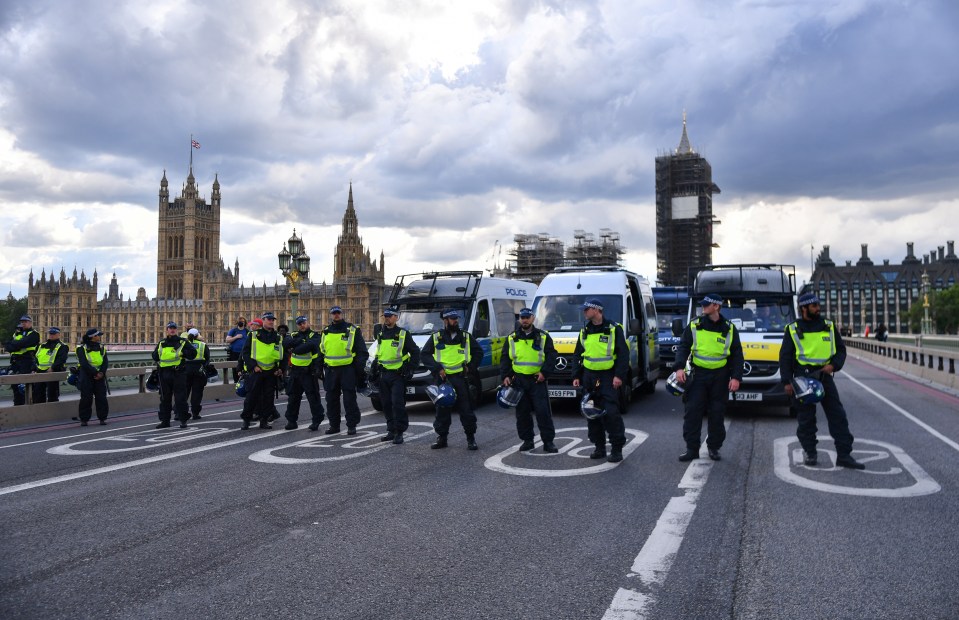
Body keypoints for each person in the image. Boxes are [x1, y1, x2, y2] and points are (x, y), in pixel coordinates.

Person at [780, 293, 865, 469]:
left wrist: (833, 365)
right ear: (803, 308)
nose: (818, 308)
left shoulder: (828, 326)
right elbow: (785, 357)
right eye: (814, 306)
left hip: (825, 376)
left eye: (818, 305)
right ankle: (810, 452)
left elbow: (841, 350)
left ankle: (844, 455)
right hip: (803, 378)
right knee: (806, 420)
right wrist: (786, 382)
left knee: (838, 416)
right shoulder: (793, 328)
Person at [672, 294, 744, 462]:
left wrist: (736, 378)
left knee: (717, 414)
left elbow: (737, 355)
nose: (703, 307)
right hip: (698, 376)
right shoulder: (695, 325)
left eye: (707, 305)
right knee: (692, 412)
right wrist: (679, 368)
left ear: (716, 307)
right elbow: (683, 347)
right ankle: (692, 449)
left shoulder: (729, 328)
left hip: (720, 376)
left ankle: (714, 447)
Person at [571, 298, 630, 463]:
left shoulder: (613, 329)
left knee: (611, 414)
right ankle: (599, 447)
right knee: (592, 413)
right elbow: (577, 354)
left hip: (608, 377)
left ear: (597, 310)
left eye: (587, 309)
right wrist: (576, 375)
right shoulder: (584, 331)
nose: (584, 312)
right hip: (589, 377)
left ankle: (617, 449)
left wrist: (619, 376)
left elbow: (623, 355)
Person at [421, 308, 483, 450]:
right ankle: (442, 438)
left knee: (466, 411)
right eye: (452, 318)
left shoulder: (466, 337)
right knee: (442, 411)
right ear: (445, 321)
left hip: (461, 379)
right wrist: (437, 369)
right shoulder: (436, 337)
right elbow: (425, 354)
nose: (455, 321)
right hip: (443, 380)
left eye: (456, 318)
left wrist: (471, 367)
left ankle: (470, 438)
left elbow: (478, 352)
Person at [500, 307, 558, 453]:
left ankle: (548, 442)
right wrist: (506, 376)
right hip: (519, 382)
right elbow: (505, 358)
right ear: (519, 319)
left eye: (527, 317)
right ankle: (527, 440)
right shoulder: (512, 338)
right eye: (522, 317)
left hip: (537, 381)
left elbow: (552, 356)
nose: (524, 320)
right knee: (522, 413)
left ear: (533, 319)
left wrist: (544, 373)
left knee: (543, 412)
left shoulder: (543, 337)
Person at [372, 305, 421, 445]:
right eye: (385, 316)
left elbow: (415, 352)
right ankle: (391, 430)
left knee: (397, 404)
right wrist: (375, 368)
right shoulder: (380, 334)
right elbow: (380, 353)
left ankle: (399, 432)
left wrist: (410, 368)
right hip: (383, 374)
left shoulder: (403, 334)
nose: (386, 318)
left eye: (389, 316)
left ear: (396, 318)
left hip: (398, 375)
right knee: (386, 404)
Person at [319, 306, 369, 436]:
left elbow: (362, 351)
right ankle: (334, 425)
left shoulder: (352, 330)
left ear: (342, 314)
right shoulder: (326, 331)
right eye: (334, 313)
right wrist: (318, 368)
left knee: (349, 400)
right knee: (331, 400)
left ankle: (351, 425)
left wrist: (358, 370)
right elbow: (321, 351)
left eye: (338, 313)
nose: (336, 315)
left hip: (347, 370)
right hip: (331, 371)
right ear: (330, 315)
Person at [240, 311, 284, 430]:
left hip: (271, 371)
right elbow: (245, 352)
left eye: (272, 320)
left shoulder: (278, 337)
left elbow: (281, 356)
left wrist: (280, 369)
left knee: (268, 398)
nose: (271, 321)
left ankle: (264, 420)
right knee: (252, 397)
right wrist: (253, 366)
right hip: (256, 370)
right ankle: (246, 419)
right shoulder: (254, 335)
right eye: (268, 319)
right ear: (263, 321)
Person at [151, 321, 197, 429]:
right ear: (167, 330)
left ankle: (183, 420)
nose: (172, 330)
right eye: (170, 328)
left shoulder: (182, 342)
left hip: (178, 373)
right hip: (164, 374)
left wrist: (183, 353)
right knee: (164, 399)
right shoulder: (162, 343)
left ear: (176, 330)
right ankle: (165, 421)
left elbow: (193, 354)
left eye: (174, 328)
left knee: (180, 398)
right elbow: (155, 356)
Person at [283, 316, 326, 431]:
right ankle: (291, 421)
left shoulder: (315, 336)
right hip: (295, 371)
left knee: (313, 397)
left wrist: (295, 348)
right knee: (293, 397)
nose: (302, 325)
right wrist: (302, 342)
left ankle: (317, 420)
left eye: (304, 323)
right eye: (299, 324)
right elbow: (285, 343)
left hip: (308, 372)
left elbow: (312, 346)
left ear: (308, 323)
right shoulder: (293, 335)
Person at [76, 328, 109, 426]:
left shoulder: (102, 347)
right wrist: (96, 373)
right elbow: (84, 363)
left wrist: (102, 373)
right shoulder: (82, 348)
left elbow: (105, 362)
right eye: (98, 335)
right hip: (86, 375)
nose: (100, 337)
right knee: (86, 398)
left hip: (99, 375)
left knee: (101, 398)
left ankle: (102, 418)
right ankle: (84, 419)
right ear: (93, 337)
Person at [4, 315, 40, 405]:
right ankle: (17, 406)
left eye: (25, 322)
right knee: (15, 386)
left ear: (30, 323)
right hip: (15, 363)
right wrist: (16, 345)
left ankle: (27, 408)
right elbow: (7, 346)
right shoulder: (16, 334)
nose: (23, 323)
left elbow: (23, 343)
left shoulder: (34, 334)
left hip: (27, 362)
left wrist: (14, 344)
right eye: (22, 322)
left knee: (24, 386)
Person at [33, 327, 69, 404]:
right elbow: (36, 357)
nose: (51, 335)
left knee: (52, 394)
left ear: (59, 335)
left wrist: (52, 368)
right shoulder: (42, 345)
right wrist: (34, 368)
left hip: (52, 372)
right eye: (50, 334)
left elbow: (61, 359)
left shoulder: (62, 346)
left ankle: (53, 413)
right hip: (40, 371)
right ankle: (40, 412)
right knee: (38, 394)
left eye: (53, 334)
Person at [182, 328, 210, 420]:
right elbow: (207, 359)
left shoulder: (184, 345)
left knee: (183, 393)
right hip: (199, 371)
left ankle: (180, 413)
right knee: (197, 393)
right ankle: (195, 413)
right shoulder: (202, 345)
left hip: (185, 371)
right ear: (198, 335)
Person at [225, 316, 249, 382]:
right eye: (240, 321)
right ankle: (236, 382)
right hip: (235, 353)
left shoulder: (247, 331)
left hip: (244, 353)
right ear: (237, 322)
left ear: (245, 323)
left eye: (243, 322)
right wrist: (236, 337)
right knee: (235, 368)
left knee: (244, 368)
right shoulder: (233, 330)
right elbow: (227, 340)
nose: (241, 323)